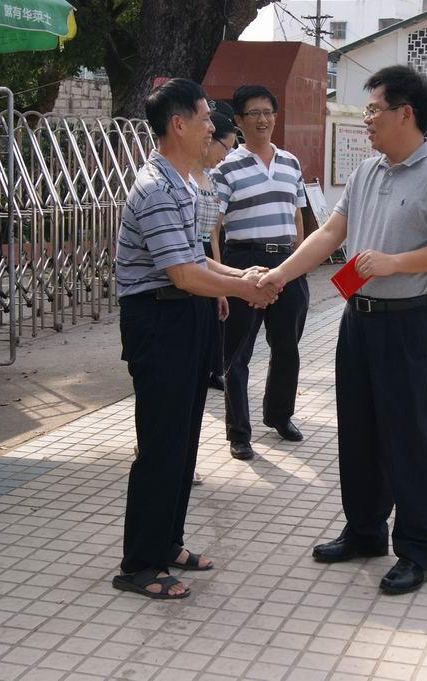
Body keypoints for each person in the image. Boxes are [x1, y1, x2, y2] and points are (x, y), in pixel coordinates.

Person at [258, 65, 427, 595]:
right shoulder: (369, 170)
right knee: (358, 430)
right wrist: (280, 275)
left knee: (410, 437)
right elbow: (334, 230)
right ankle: (365, 531)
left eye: (374, 109)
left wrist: (396, 263)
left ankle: (419, 549)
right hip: (359, 320)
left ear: (407, 113)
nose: (368, 119)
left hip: (409, 322)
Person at [112, 78, 277, 599]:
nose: (213, 126)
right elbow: (181, 273)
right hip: (159, 322)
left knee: (182, 442)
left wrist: (238, 278)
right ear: (178, 125)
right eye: (206, 118)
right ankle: (139, 564)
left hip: (183, 318)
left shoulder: (183, 182)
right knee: (161, 445)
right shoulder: (156, 188)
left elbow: (195, 259)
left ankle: (168, 544)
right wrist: (244, 287)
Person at [211, 85, 309, 461]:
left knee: (287, 347)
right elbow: (214, 229)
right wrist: (224, 283)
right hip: (242, 262)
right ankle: (239, 432)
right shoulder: (226, 168)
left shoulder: (290, 162)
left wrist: (296, 257)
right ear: (238, 121)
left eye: (268, 112)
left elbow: (298, 212)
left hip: (286, 264)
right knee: (237, 353)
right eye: (253, 113)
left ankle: (279, 415)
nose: (263, 119)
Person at [195, 104, 237, 392]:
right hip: (187, 263)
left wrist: (223, 286)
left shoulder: (209, 179)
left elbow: (213, 235)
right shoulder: (176, 182)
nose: (226, 155)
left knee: (213, 319)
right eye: (226, 146)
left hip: (205, 257)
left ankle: (212, 368)